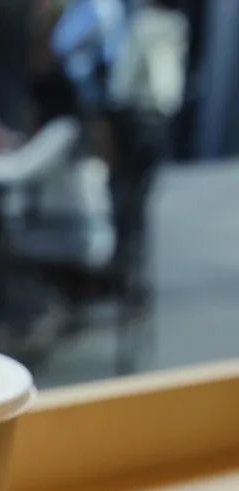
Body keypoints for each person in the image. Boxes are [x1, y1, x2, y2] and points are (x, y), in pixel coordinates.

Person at [106, 0, 189, 299]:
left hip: (136, 119)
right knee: (140, 200)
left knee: (125, 198)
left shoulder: (143, 25)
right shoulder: (177, 26)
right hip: (160, 121)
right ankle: (136, 274)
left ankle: (123, 274)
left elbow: (123, 81)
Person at [50, 0, 126, 112]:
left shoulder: (101, 6)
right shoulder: (82, 5)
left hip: (99, 78)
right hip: (94, 78)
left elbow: (63, 43)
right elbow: (60, 43)